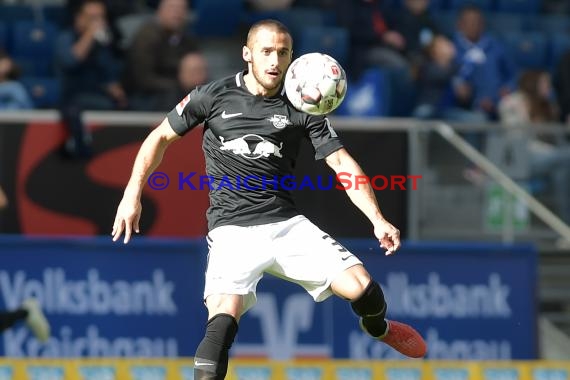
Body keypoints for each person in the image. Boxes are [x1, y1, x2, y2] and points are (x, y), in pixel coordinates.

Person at [112, 19, 427, 379]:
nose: (275, 61)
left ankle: (378, 329)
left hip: (285, 223)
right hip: (232, 229)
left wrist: (377, 218)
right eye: (266, 52)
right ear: (247, 54)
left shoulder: (304, 104)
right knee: (223, 318)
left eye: (282, 52)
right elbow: (159, 139)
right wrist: (132, 193)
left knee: (362, 289)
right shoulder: (212, 96)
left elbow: (341, 163)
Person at [55, 0, 128, 158]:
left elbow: (108, 72)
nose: (98, 22)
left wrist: (114, 88)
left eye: (101, 17)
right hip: (72, 96)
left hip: (97, 94)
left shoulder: (103, 42)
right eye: (92, 18)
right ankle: (78, 147)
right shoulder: (66, 37)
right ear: (79, 18)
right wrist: (90, 34)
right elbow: (71, 60)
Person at [123, 0, 199, 111]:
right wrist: (180, 83)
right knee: (174, 97)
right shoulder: (147, 36)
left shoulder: (187, 38)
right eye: (172, 8)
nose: (177, 13)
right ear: (160, 11)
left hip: (176, 89)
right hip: (143, 95)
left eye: (182, 9)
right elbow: (144, 79)